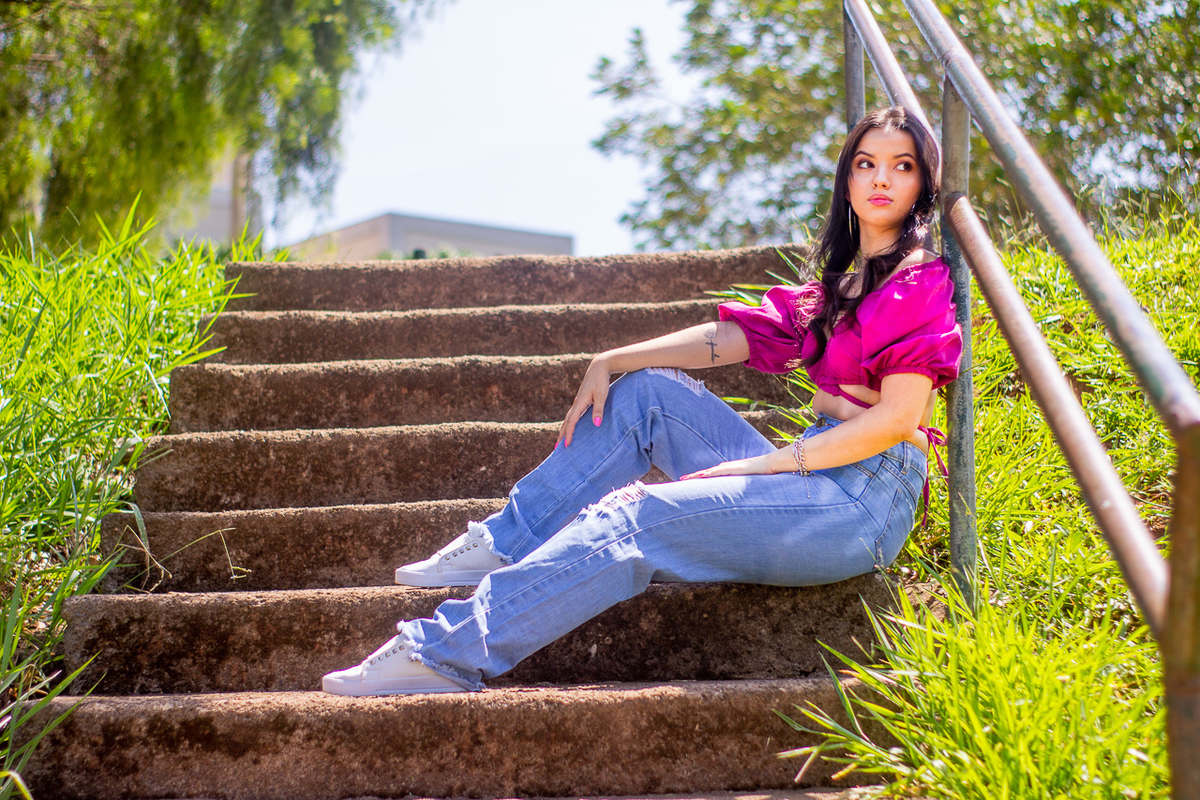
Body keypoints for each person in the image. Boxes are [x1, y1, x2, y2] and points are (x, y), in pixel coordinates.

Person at [321, 106, 963, 696]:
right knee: (648, 393)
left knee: (636, 517)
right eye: (866, 163)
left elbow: (899, 420)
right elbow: (734, 336)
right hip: (820, 470)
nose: (881, 179)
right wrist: (616, 358)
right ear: (846, 181)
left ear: (921, 187)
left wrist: (763, 464)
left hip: (855, 506)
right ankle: (510, 539)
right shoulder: (838, 287)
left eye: (901, 166)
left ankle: (441, 654)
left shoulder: (917, 281)